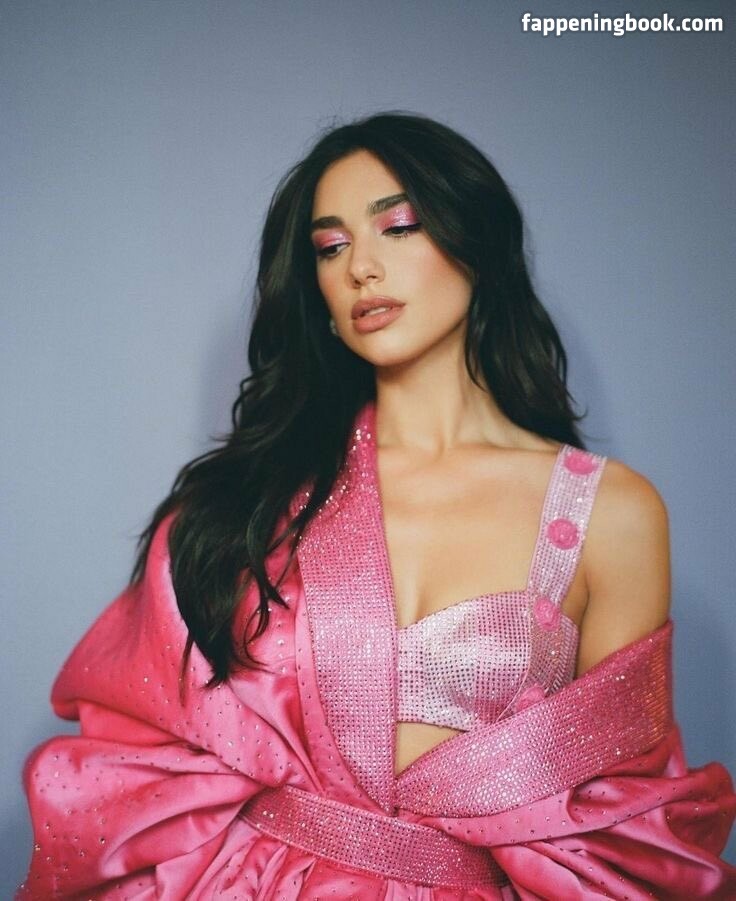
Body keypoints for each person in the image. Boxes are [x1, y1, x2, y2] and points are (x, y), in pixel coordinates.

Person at [18, 111, 736, 899]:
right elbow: (140, 763)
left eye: (397, 227)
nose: (361, 267)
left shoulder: (613, 512)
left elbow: (620, 825)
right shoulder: (248, 501)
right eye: (331, 247)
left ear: (477, 244)